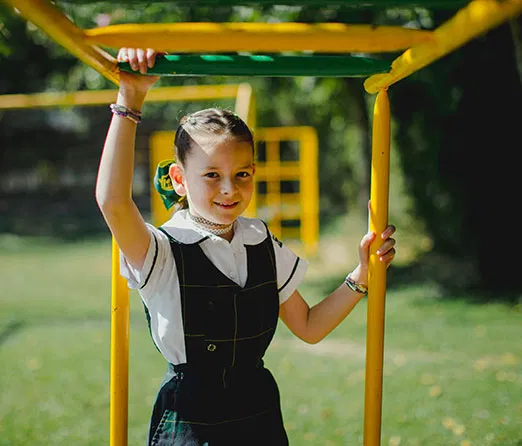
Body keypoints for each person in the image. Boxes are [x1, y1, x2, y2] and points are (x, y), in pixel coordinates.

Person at [96, 48, 397, 446]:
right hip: (191, 424)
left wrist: (362, 275)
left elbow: (309, 327)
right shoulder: (161, 250)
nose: (229, 188)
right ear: (179, 179)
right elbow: (113, 202)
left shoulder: (259, 240)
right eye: (211, 175)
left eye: (241, 174)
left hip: (258, 416)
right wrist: (129, 99)